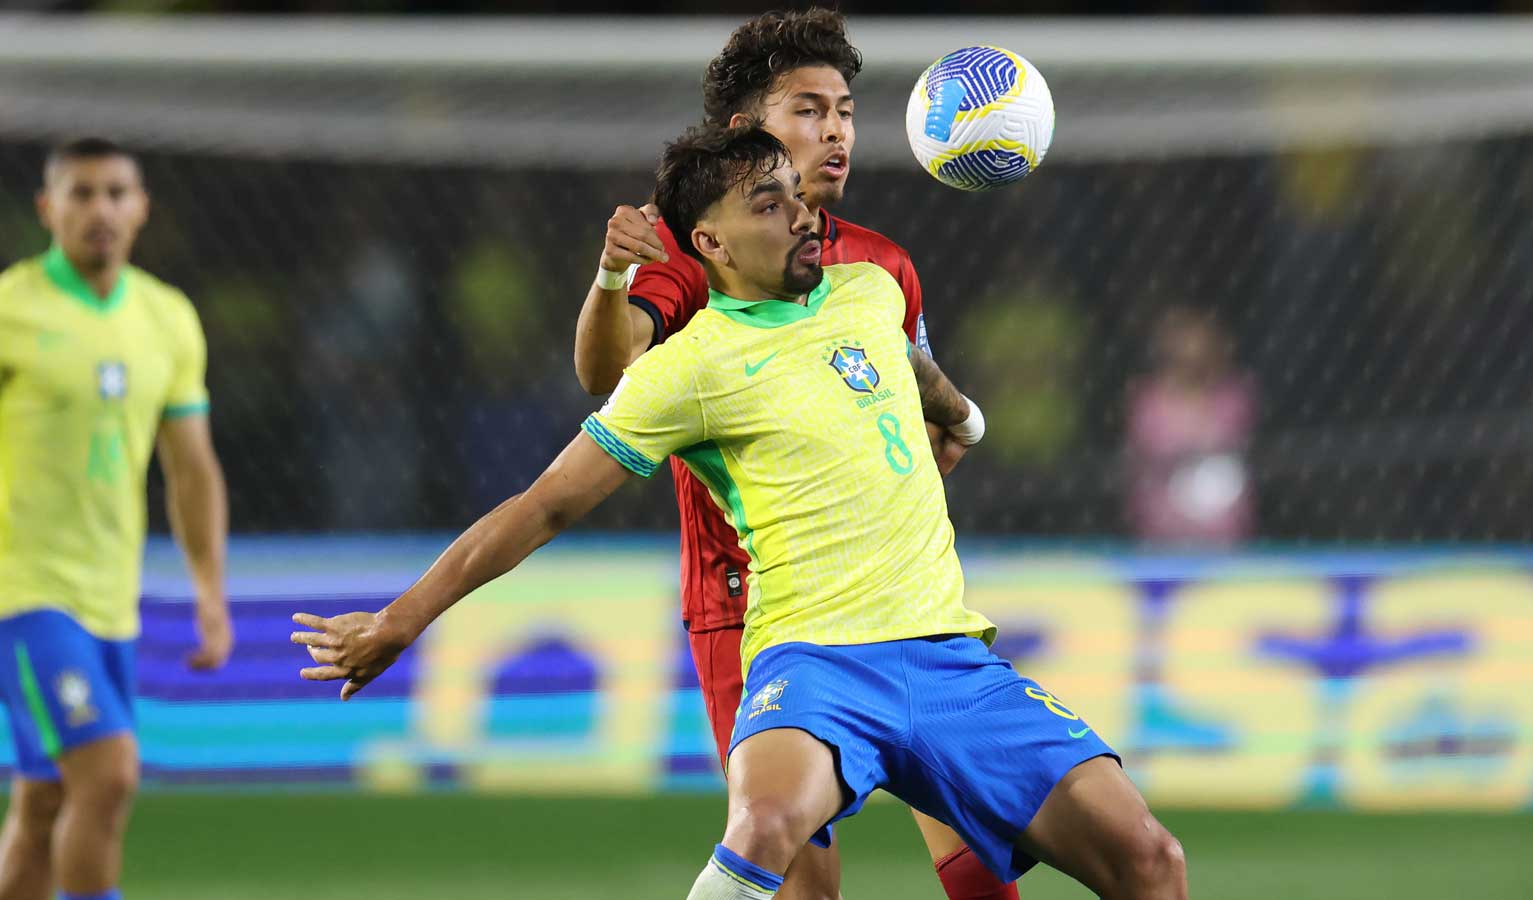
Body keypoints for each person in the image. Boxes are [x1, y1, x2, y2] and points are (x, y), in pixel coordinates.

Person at [293, 125, 1186, 900]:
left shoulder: (868, 292)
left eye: (797, 197)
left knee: (1149, 859)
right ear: (710, 243)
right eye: (769, 205)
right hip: (816, 665)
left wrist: (961, 417)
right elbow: (543, 507)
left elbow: (914, 369)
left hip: (948, 656)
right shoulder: (687, 369)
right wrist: (400, 621)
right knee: (763, 828)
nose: (801, 215)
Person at [571, 10, 1002, 898]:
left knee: (980, 853)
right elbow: (610, 372)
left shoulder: (882, 266)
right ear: (744, 134)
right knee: (804, 883)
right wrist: (613, 277)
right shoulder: (704, 254)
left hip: (894, 603)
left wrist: (945, 429)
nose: (835, 130)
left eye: (844, 110)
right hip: (753, 608)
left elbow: (908, 405)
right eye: (807, 111)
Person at [0, 138, 233, 900]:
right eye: (81, 194)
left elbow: (190, 466)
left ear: (141, 209)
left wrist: (208, 589)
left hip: (110, 599)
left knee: (45, 803)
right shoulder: (12, 309)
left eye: (114, 193)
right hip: (23, 594)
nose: (99, 209)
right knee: (109, 772)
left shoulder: (167, 319)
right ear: (48, 209)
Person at [1125, 306, 1256, 549]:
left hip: (1221, 524)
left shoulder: (1231, 396)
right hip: (1163, 525)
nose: (1191, 358)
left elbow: (1233, 438)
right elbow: (1149, 449)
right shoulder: (1149, 401)